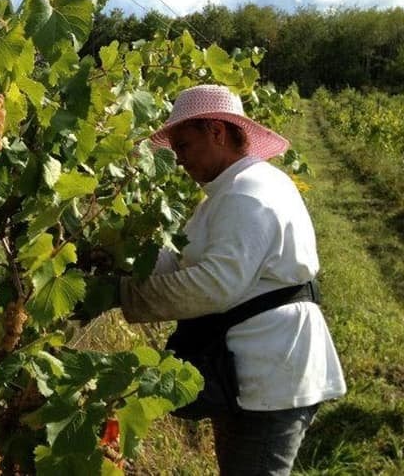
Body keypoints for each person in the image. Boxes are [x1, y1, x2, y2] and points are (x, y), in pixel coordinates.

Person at [119, 84, 346, 476]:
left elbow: (214, 284)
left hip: (272, 378)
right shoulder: (228, 193)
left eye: (184, 146)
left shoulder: (247, 193)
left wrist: (121, 294)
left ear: (217, 133)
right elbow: (185, 264)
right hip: (255, 374)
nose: (179, 160)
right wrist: (121, 257)